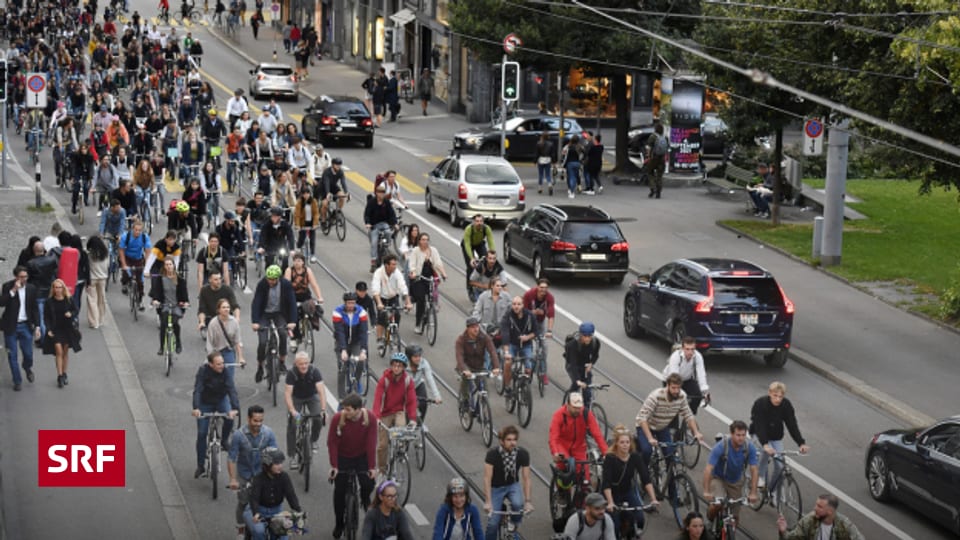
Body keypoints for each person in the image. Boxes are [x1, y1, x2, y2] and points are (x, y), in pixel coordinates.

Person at [328, 392, 378, 539]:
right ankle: (339, 523)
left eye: (348, 409)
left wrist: (371, 467)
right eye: (344, 408)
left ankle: (364, 497)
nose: (345, 412)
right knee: (339, 492)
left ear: (358, 409)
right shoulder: (338, 418)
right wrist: (334, 466)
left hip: (361, 457)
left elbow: (371, 442)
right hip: (343, 457)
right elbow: (332, 442)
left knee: (368, 483)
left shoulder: (370, 419)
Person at [228, 405, 278, 540]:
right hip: (244, 475)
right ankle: (240, 528)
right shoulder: (239, 435)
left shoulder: (268, 433)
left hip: (262, 475)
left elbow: (275, 455)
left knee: (265, 502)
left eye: (261, 420)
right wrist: (233, 479)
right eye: (255, 421)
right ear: (248, 419)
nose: (258, 424)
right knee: (243, 503)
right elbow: (232, 458)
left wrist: (274, 473)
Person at [750, 382, 810, 489]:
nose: (778, 399)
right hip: (759, 435)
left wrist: (801, 442)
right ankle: (760, 476)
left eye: (780, 397)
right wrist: (765, 444)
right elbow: (760, 425)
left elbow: (792, 424)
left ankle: (772, 491)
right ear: (770, 393)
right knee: (765, 451)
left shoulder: (786, 405)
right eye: (775, 396)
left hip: (775, 437)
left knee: (780, 465)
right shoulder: (760, 404)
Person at [602, 425, 658, 538]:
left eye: (627, 442)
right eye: (622, 442)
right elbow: (606, 482)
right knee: (615, 526)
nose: (625, 445)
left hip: (627, 491)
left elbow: (645, 478)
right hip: (612, 494)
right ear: (616, 443)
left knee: (640, 519)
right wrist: (610, 502)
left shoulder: (635, 457)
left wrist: (653, 499)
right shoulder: (610, 458)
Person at [635, 373, 704, 464]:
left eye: (678, 388)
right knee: (647, 451)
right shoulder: (656, 396)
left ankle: (670, 477)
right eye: (673, 388)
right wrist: (650, 438)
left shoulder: (682, 396)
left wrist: (696, 433)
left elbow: (688, 415)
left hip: (662, 427)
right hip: (646, 427)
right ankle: (643, 471)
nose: (676, 391)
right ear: (667, 386)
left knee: (670, 455)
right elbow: (642, 418)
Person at [192, 351, 240, 478]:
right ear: (210, 364)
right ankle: (200, 465)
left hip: (220, 400)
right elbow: (197, 390)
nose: (222, 366)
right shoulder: (203, 371)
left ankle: (224, 440)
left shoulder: (225, 372)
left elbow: (231, 389)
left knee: (229, 419)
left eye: (222, 363)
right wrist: (196, 408)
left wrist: (235, 408)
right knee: (202, 433)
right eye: (218, 364)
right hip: (205, 402)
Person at [702, 420, 759, 522]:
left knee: (735, 517)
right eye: (738, 435)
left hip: (735, 480)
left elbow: (754, 470)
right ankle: (709, 520)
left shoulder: (749, 447)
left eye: (743, 435)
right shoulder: (721, 446)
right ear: (731, 434)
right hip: (718, 478)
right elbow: (708, 469)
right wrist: (706, 491)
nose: (741, 438)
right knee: (717, 505)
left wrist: (753, 492)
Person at [483, 425, 533, 539]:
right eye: (509, 440)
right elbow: (487, 478)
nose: (513, 443)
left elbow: (526, 478)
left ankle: (513, 524)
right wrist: (488, 501)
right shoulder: (492, 454)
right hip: (496, 488)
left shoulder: (522, 454)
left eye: (515, 439)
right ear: (501, 441)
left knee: (518, 505)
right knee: (492, 524)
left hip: (512, 485)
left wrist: (528, 501)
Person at [372, 352, 418, 475]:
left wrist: (413, 419)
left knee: (401, 429)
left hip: (399, 412)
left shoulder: (408, 381)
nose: (396, 368)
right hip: (385, 413)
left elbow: (412, 401)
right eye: (394, 365)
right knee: (382, 446)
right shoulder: (384, 380)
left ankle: (400, 451)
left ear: (403, 367)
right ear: (391, 366)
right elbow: (377, 399)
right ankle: (381, 470)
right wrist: (376, 417)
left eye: (399, 366)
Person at [251, 264, 297, 381]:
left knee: (282, 333)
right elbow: (256, 303)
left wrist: (292, 321)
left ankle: (282, 361)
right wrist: (255, 322)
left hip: (279, 313)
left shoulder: (286, 285)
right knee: (262, 342)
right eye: (269, 279)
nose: (270, 282)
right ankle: (260, 366)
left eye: (273, 279)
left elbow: (292, 303)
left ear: (278, 278)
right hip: (264, 314)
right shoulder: (262, 284)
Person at [244, 447, 303, 540]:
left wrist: (298, 511)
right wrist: (256, 513)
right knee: (259, 531)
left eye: (281, 463)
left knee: (284, 535)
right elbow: (254, 498)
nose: (280, 466)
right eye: (276, 463)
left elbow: (291, 495)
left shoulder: (284, 477)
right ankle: (248, 531)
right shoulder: (258, 479)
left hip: (277, 511)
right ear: (267, 465)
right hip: (258, 512)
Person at [549, 392, 607, 485]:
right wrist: (555, 452)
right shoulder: (558, 415)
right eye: (574, 408)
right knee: (566, 470)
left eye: (579, 408)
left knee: (585, 478)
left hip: (579, 447)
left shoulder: (585, 413)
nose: (577, 410)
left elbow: (597, 434)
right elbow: (553, 437)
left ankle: (582, 497)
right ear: (568, 405)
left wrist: (605, 452)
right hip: (562, 445)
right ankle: (561, 493)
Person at [284, 351, 327, 469]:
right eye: (301, 364)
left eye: (306, 363)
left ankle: (313, 440)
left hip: (311, 397)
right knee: (293, 424)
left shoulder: (315, 371)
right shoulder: (291, 374)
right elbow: (288, 394)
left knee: (318, 418)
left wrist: (323, 409)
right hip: (296, 398)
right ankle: (292, 455)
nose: (304, 366)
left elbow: (321, 392)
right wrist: (292, 411)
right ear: (296, 364)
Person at [2, 266, 41, 391]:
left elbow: (35, 308)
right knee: (12, 355)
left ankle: (27, 367)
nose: (24, 279)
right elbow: (2, 302)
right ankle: (17, 380)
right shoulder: (8, 286)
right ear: (16, 277)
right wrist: (14, 290)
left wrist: (38, 326)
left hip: (26, 325)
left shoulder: (31, 288)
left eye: (25, 277)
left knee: (28, 353)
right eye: (21, 277)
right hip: (11, 326)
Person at [406, 232, 447, 335]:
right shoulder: (416, 251)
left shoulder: (433, 250)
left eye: (427, 239)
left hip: (430, 278)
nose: (425, 242)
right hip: (419, 278)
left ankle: (430, 312)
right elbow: (412, 264)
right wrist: (414, 272)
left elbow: (438, 263)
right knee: (421, 300)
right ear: (419, 241)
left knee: (431, 299)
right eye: (423, 239)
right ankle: (418, 324)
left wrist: (443, 273)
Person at [776, 493, 864, 540]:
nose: (815, 508)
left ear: (830, 511)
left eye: (820, 507)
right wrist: (783, 532)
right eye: (816, 505)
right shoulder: (808, 521)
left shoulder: (844, 524)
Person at [332, 292, 370, 397]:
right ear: (345, 303)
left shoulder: (361, 312)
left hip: (356, 341)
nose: (351, 306)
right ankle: (341, 395)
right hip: (342, 341)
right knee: (342, 367)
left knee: (360, 361)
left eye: (353, 303)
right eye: (349, 303)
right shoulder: (337, 312)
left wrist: (363, 350)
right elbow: (339, 332)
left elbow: (363, 332)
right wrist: (343, 350)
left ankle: (356, 382)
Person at [455, 316, 501, 404]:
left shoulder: (484, 337)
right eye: (473, 327)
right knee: (466, 382)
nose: (476, 329)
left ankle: (483, 407)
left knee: (485, 390)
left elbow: (492, 351)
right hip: (466, 366)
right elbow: (459, 356)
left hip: (479, 367)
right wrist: (464, 369)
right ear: (468, 328)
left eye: (477, 326)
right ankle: (465, 401)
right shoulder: (461, 340)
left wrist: (496, 367)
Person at [150, 258, 190, 355]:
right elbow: (155, 292)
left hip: (176, 305)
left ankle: (178, 343)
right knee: (164, 324)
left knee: (175, 323)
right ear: (164, 267)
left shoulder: (180, 279)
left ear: (174, 266)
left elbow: (185, 295)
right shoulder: (160, 279)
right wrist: (155, 301)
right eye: (166, 265)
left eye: (170, 264)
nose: (168, 267)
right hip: (164, 305)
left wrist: (185, 303)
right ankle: (161, 347)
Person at [370, 255, 412, 346]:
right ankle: (379, 339)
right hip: (381, 297)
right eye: (393, 264)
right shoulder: (378, 273)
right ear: (386, 265)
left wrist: (408, 302)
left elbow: (403, 287)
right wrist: (379, 303)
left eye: (395, 264)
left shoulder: (397, 273)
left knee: (397, 314)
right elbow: (375, 289)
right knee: (381, 318)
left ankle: (393, 333)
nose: (395, 266)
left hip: (393, 296)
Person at [44, 279, 78, 388]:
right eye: (55, 287)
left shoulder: (68, 299)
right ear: (53, 289)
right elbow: (46, 317)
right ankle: (59, 375)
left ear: (63, 288)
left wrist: (71, 314)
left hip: (67, 328)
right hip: (56, 329)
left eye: (59, 287)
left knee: (65, 352)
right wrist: (48, 329)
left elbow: (75, 310)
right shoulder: (49, 301)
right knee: (58, 350)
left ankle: (64, 373)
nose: (57, 289)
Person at [663, 336, 710, 414]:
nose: (690, 352)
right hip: (671, 381)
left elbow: (701, 374)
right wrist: (680, 393)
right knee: (673, 405)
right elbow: (674, 378)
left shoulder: (697, 356)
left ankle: (689, 417)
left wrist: (704, 392)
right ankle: (672, 422)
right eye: (687, 349)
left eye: (692, 349)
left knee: (697, 396)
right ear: (682, 348)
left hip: (686, 379)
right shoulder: (676, 357)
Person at [500, 295, 539, 392]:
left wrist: (527, 337)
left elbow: (536, 331)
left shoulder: (530, 316)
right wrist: (506, 351)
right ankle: (508, 386)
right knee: (508, 363)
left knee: (529, 366)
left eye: (518, 304)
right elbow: (505, 333)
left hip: (526, 345)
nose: (516, 306)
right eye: (514, 304)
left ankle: (524, 384)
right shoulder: (508, 316)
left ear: (523, 305)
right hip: (512, 344)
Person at [283, 252, 323, 341]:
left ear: (303, 262)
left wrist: (319, 297)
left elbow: (314, 284)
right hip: (293, 295)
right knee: (294, 315)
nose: (296, 263)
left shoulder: (307, 270)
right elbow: (287, 286)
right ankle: (294, 337)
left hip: (305, 295)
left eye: (299, 261)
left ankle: (311, 325)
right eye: (295, 261)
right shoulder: (289, 270)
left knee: (314, 309)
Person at [205, 295, 245, 381]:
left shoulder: (234, 322)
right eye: (223, 307)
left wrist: (240, 357)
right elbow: (209, 343)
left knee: (228, 379)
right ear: (218, 310)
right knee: (214, 378)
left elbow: (237, 341)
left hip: (228, 351)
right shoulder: (213, 323)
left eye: (228, 307)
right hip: (216, 352)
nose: (226, 309)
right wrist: (211, 357)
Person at [363, 184, 398, 273]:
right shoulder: (372, 202)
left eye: (383, 193)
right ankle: (373, 262)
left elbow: (392, 214)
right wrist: (368, 223)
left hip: (384, 223)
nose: (381, 195)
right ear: (376, 193)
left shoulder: (386, 202)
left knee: (388, 232)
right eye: (380, 193)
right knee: (374, 243)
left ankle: (386, 246)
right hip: (374, 225)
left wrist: (394, 223)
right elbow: (367, 214)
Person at [565, 322, 600, 406]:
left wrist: (591, 364)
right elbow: (573, 364)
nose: (587, 339)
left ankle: (587, 412)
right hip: (573, 365)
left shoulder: (595, 342)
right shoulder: (573, 345)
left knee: (587, 392)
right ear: (581, 335)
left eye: (589, 336)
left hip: (585, 365)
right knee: (576, 390)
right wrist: (577, 380)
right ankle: (569, 404)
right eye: (585, 336)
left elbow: (595, 355)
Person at [460, 214, 495, 300]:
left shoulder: (486, 228)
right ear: (473, 222)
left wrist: (492, 255)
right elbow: (467, 244)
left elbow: (491, 241)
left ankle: (486, 287)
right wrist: (472, 258)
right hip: (468, 245)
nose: (479, 223)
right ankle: (470, 289)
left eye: (481, 221)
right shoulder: (469, 229)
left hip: (479, 244)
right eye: (477, 221)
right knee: (470, 267)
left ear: (483, 222)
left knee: (486, 263)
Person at [404, 344, 441, 421]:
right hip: (405, 388)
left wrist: (437, 396)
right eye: (415, 357)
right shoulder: (403, 365)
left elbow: (430, 379)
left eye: (419, 356)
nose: (418, 359)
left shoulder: (424, 363)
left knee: (423, 404)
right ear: (409, 357)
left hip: (418, 385)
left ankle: (420, 424)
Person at [85, 237, 110, 329]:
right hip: (103, 278)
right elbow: (108, 265)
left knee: (92, 300)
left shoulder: (90, 255)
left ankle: (94, 321)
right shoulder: (106, 254)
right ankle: (101, 320)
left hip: (92, 278)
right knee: (101, 299)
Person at [293, 189, 320, 262]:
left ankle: (312, 254)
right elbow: (297, 215)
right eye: (304, 194)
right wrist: (298, 225)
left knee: (312, 239)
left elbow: (316, 213)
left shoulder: (313, 201)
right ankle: (298, 247)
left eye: (307, 193)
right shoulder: (299, 202)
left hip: (311, 223)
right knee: (301, 238)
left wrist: (315, 224)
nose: (306, 195)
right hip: (303, 224)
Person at [645, 123, 668, 199]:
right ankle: (658, 192)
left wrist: (647, 157)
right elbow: (667, 148)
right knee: (659, 175)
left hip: (653, 158)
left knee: (650, 172)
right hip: (662, 159)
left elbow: (648, 148)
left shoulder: (652, 137)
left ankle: (653, 188)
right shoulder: (665, 137)